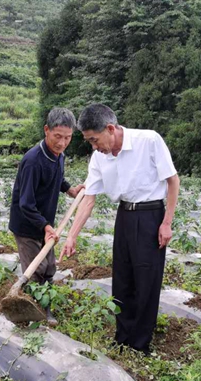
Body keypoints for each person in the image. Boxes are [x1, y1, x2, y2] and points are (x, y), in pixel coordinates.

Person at [60, 104, 180, 353]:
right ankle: (123, 336)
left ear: (111, 129)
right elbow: (88, 199)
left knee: (146, 278)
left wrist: (167, 222)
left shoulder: (149, 140)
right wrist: (71, 236)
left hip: (150, 215)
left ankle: (140, 343)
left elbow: (172, 180)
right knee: (122, 278)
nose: (94, 147)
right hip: (124, 216)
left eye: (95, 140)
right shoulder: (98, 157)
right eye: (89, 142)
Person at [9, 107, 84, 320]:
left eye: (67, 138)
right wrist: (45, 226)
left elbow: (57, 177)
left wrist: (69, 189)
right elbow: (26, 203)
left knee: (49, 267)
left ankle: (45, 306)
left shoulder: (58, 155)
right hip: (27, 225)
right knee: (35, 270)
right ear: (46, 130)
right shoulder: (33, 161)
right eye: (57, 136)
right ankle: (33, 313)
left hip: (44, 224)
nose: (62, 143)